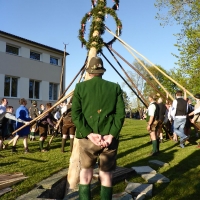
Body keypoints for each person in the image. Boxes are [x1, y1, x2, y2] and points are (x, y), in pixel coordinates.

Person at [72, 56, 125, 200]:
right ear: (102, 72)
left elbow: (75, 114)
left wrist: (89, 134)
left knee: (86, 172)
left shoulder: (80, 87)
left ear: (89, 72)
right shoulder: (115, 87)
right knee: (106, 174)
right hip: (109, 138)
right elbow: (120, 115)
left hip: (87, 138)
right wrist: (111, 135)